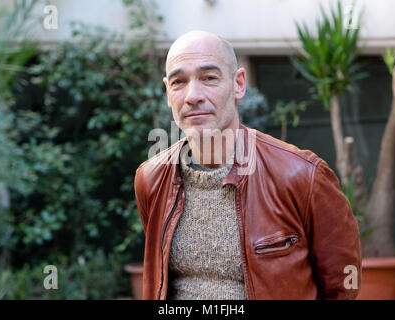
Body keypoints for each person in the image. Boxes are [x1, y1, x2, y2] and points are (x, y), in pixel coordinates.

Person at [134, 30, 362, 300]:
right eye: (178, 82)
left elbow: (344, 282)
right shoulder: (151, 178)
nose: (192, 95)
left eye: (209, 78)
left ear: (239, 84)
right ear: (168, 93)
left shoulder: (303, 175)